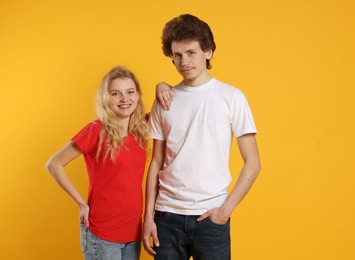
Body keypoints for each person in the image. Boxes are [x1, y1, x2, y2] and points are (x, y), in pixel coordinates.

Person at [142, 14, 261, 260]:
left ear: (208, 52)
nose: (183, 61)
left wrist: (224, 211)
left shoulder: (232, 97)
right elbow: (156, 162)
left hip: (211, 217)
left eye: (191, 52)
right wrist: (148, 218)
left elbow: (253, 161)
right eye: (177, 55)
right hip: (166, 217)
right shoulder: (164, 101)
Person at [45, 66, 148, 260]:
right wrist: (81, 204)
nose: (125, 99)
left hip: (133, 231)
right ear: (105, 98)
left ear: (138, 95)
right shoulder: (96, 130)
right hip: (102, 232)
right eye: (116, 94)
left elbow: (169, 103)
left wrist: (162, 87)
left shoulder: (141, 128)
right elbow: (54, 164)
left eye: (130, 92)